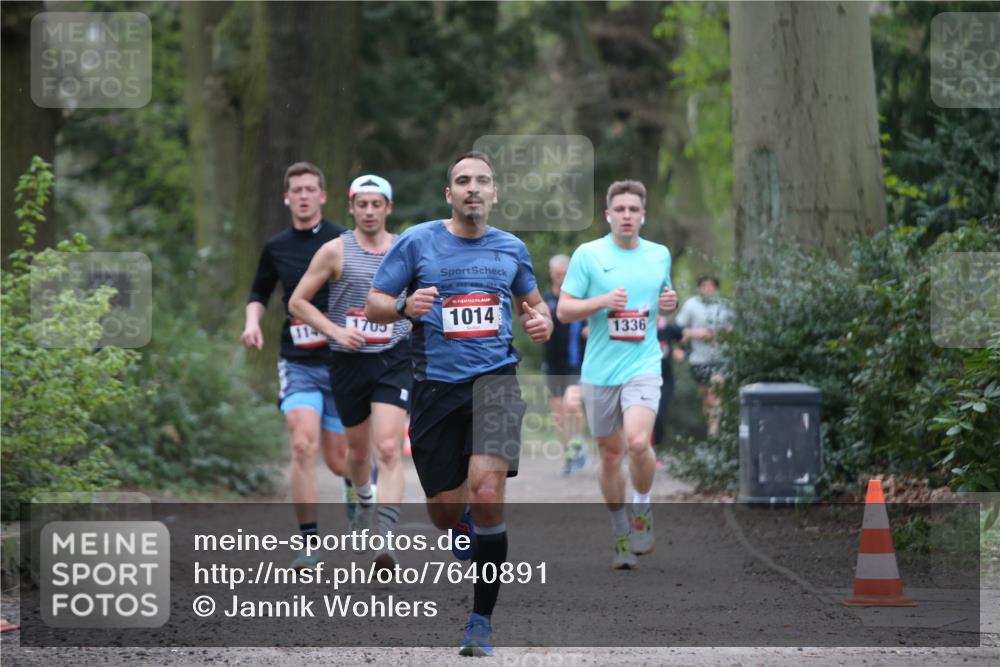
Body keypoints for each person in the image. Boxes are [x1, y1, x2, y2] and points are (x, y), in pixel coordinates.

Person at [365, 151, 552, 657]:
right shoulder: (418, 241)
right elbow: (374, 304)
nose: (473, 188)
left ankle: (480, 621)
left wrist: (542, 322)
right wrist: (405, 306)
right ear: (449, 194)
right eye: (463, 181)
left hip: (495, 383)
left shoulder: (511, 248)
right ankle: (462, 522)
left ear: (495, 193)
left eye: (482, 181)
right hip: (434, 390)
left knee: (488, 493)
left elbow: (535, 308)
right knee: (445, 513)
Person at [289, 174, 411, 570]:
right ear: (352, 208)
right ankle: (363, 496)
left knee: (389, 448)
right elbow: (298, 302)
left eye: (378, 204)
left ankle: (386, 539)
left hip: (394, 357)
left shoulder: (405, 249)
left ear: (388, 208)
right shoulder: (334, 251)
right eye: (363, 205)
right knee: (356, 454)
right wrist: (336, 330)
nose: (370, 211)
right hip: (348, 361)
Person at [556, 179, 677, 570]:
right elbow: (564, 311)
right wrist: (603, 302)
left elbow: (663, 301)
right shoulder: (588, 255)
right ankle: (621, 534)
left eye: (634, 210)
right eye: (620, 210)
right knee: (610, 457)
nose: (627, 216)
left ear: (643, 215)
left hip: (643, 365)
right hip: (600, 370)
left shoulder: (659, 255)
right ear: (608, 215)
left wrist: (670, 303)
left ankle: (642, 508)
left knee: (639, 443)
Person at [240, 161, 351, 570]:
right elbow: (259, 291)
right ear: (287, 198)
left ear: (322, 196)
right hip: (299, 361)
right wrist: (252, 323)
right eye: (296, 190)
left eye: (310, 189)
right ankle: (309, 543)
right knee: (303, 444)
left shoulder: (344, 240)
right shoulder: (277, 246)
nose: (303, 195)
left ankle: (360, 491)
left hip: (343, 363)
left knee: (341, 461)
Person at [542, 254, 587, 474]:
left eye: (565, 274)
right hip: (552, 363)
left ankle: (578, 441)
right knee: (558, 413)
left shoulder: (579, 299)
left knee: (572, 404)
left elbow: (592, 324)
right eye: (558, 274)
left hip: (575, 362)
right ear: (552, 275)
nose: (561, 278)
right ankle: (569, 454)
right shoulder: (545, 299)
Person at [675, 275, 731, 437]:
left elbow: (732, 329)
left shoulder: (724, 306)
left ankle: (715, 431)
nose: (708, 289)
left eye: (711, 286)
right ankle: (710, 427)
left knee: (716, 395)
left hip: (720, 358)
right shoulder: (691, 305)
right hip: (698, 359)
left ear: (716, 288)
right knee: (706, 397)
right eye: (704, 285)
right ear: (699, 287)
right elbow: (679, 330)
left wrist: (720, 335)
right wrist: (697, 334)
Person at [652, 316, 685, 454]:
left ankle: (656, 448)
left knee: (658, 413)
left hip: (665, 380)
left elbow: (683, 336)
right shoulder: (639, 327)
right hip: (643, 378)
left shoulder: (667, 327)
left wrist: (680, 349)